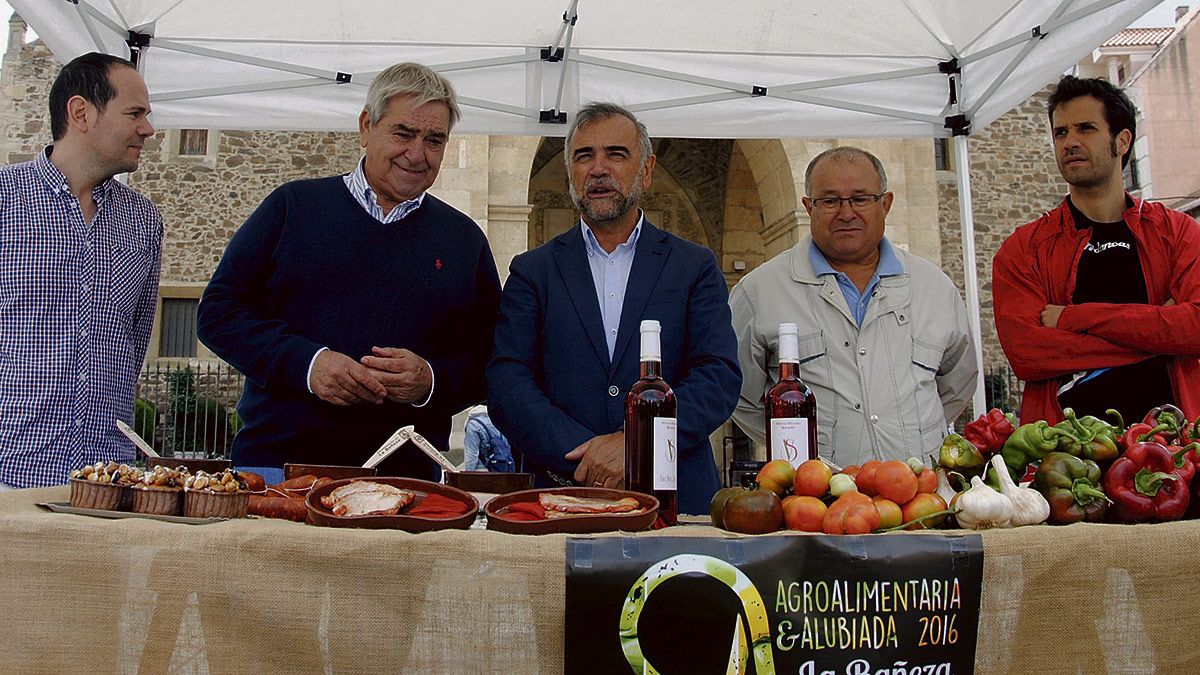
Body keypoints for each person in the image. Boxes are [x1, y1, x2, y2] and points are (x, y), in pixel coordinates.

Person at [197, 62, 501, 479]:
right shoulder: (292, 208)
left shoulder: (464, 241)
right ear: (365, 127)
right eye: (403, 133)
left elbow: (494, 359)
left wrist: (430, 380)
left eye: (434, 140)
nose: (417, 154)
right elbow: (218, 313)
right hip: (279, 470)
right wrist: (308, 364)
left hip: (407, 481)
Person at [486, 102, 740, 514]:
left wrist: (634, 446)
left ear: (646, 169)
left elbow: (718, 376)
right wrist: (586, 457)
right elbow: (507, 381)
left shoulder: (694, 266)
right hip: (560, 496)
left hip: (673, 499)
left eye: (616, 154)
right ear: (570, 171)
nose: (598, 168)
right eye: (584, 156)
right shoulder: (534, 270)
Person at [730, 147, 977, 468]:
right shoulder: (758, 292)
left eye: (861, 199)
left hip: (920, 494)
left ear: (885, 204)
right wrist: (796, 440)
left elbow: (958, 378)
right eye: (830, 201)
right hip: (815, 497)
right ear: (808, 207)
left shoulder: (934, 287)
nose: (846, 213)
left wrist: (912, 427)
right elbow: (738, 392)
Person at [994, 75, 1200, 425]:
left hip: (1174, 451)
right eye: (1060, 132)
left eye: (1085, 128)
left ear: (1122, 141)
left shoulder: (1178, 234)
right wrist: (1160, 334)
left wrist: (1073, 318)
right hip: (1066, 459)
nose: (1069, 142)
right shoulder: (1024, 249)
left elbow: (1194, 328)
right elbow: (1027, 354)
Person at [0, 53, 161, 489]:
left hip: (108, 484)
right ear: (80, 113)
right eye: (135, 113)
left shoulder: (144, 221)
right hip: (9, 481)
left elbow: (135, 339)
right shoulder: (4, 201)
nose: (147, 128)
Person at [462, 405, 515, 472]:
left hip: (483, 473)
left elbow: (471, 456)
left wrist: (468, 477)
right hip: (506, 470)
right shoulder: (500, 420)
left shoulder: (473, 425)